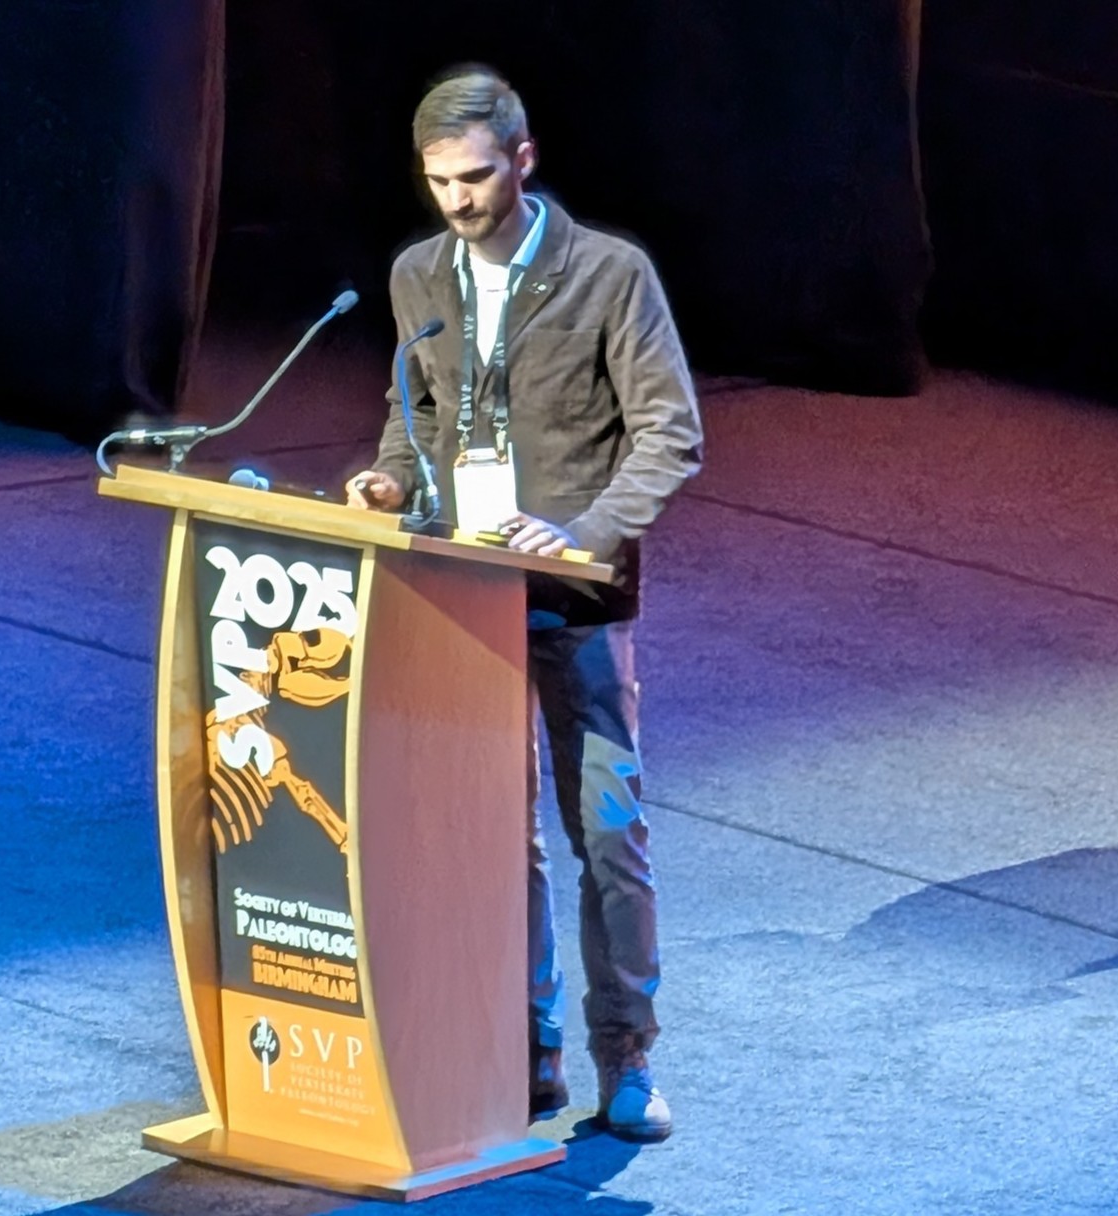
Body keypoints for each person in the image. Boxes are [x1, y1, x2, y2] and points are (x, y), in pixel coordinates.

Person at [345, 65, 702, 1141]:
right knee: (497, 841)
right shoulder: (418, 274)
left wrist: (587, 532)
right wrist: (390, 478)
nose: (456, 199)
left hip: (576, 603)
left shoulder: (609, 275)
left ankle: (626, 1058)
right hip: (456, 597)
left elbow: (670, 432)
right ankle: (524, 1052)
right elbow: (415, 413)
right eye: (437, 179)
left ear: (524, 159)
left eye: (475, 176)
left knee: (606, 832)